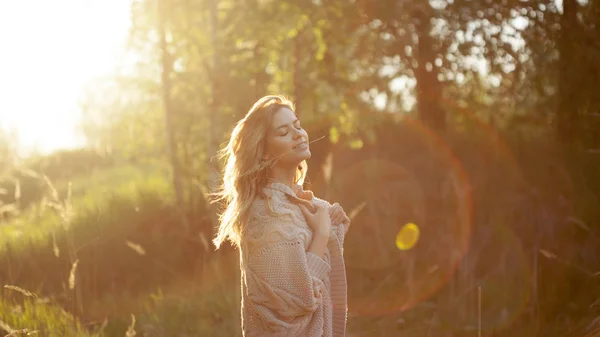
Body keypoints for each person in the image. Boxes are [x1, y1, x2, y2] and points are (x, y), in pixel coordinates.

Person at [212, 95, 351, 336]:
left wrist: (332, 227)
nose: (299, 134)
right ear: (264, 152)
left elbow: (307, 270)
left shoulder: (299, 203)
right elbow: (295, 302)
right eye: (284, 132)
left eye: (297, 126)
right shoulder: (265, 217)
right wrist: (322, 234)